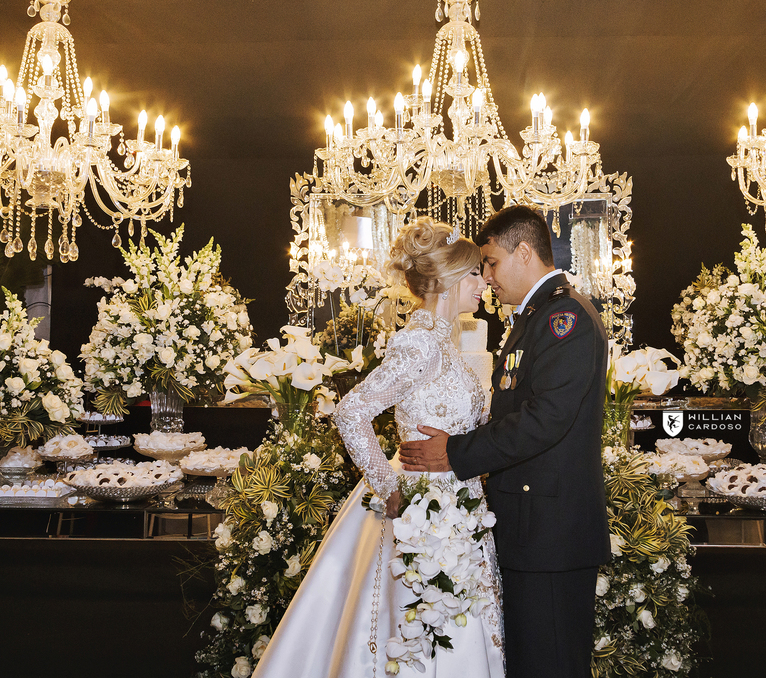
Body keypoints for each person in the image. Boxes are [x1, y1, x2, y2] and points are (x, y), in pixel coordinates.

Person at [253, 217, 504, 678]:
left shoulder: (444, 344)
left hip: (457, 504)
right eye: (473, 273)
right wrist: (388, 486)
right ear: (447, 280)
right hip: (423, 510)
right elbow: (350, 412)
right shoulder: (420, 344)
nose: (484, 281)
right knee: (422, 625)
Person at [399, 204, 611, 678]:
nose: (488, 276)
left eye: (491, 263)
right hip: (532, 528)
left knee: (551, 663)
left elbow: (545, 419)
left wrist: (455, 453)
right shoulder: (535, 315)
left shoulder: (564, 317)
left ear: (523, 252)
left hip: (550, 533)